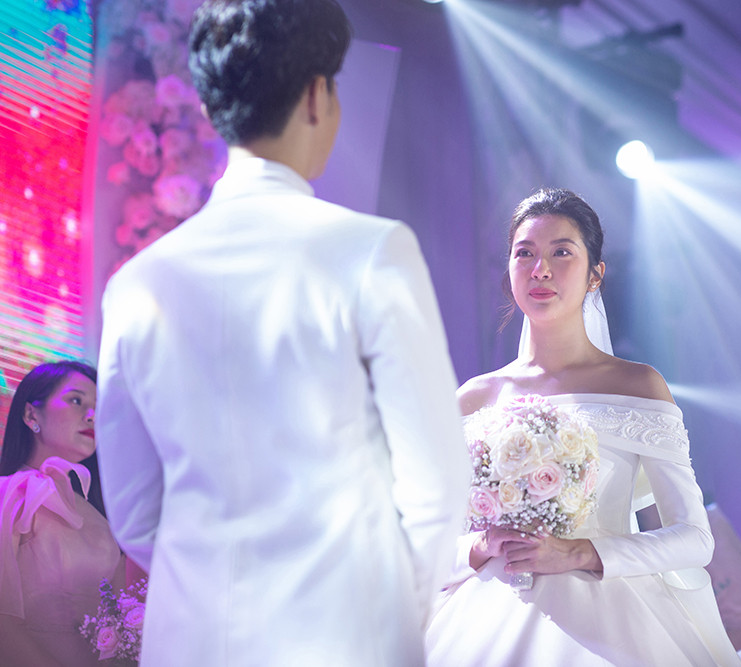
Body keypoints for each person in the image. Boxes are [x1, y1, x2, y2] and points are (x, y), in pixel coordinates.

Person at [95, 1, 469, 665]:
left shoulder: (136, 284)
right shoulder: (373, 252)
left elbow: (132, 511)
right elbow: (436, 490)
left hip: (190, 642)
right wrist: (387, 620)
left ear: (209, 109)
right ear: (318, 95)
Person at [424, 188, 741, 666]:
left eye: (561, 253)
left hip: (610, 616)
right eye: (525, 253)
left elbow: (694, 537)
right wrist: (481, 545)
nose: (540, 269)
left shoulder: (637, 386)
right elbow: (425, 541)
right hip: (486, 611)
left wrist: (580, 553)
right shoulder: (473, 398)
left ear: (596, 274)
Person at [0, 361, 127, 666]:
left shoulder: (98, 513)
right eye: (76, 400)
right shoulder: (9, 494)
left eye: (98, 406)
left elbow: (122, 614)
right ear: (31, 415)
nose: (92, 415)